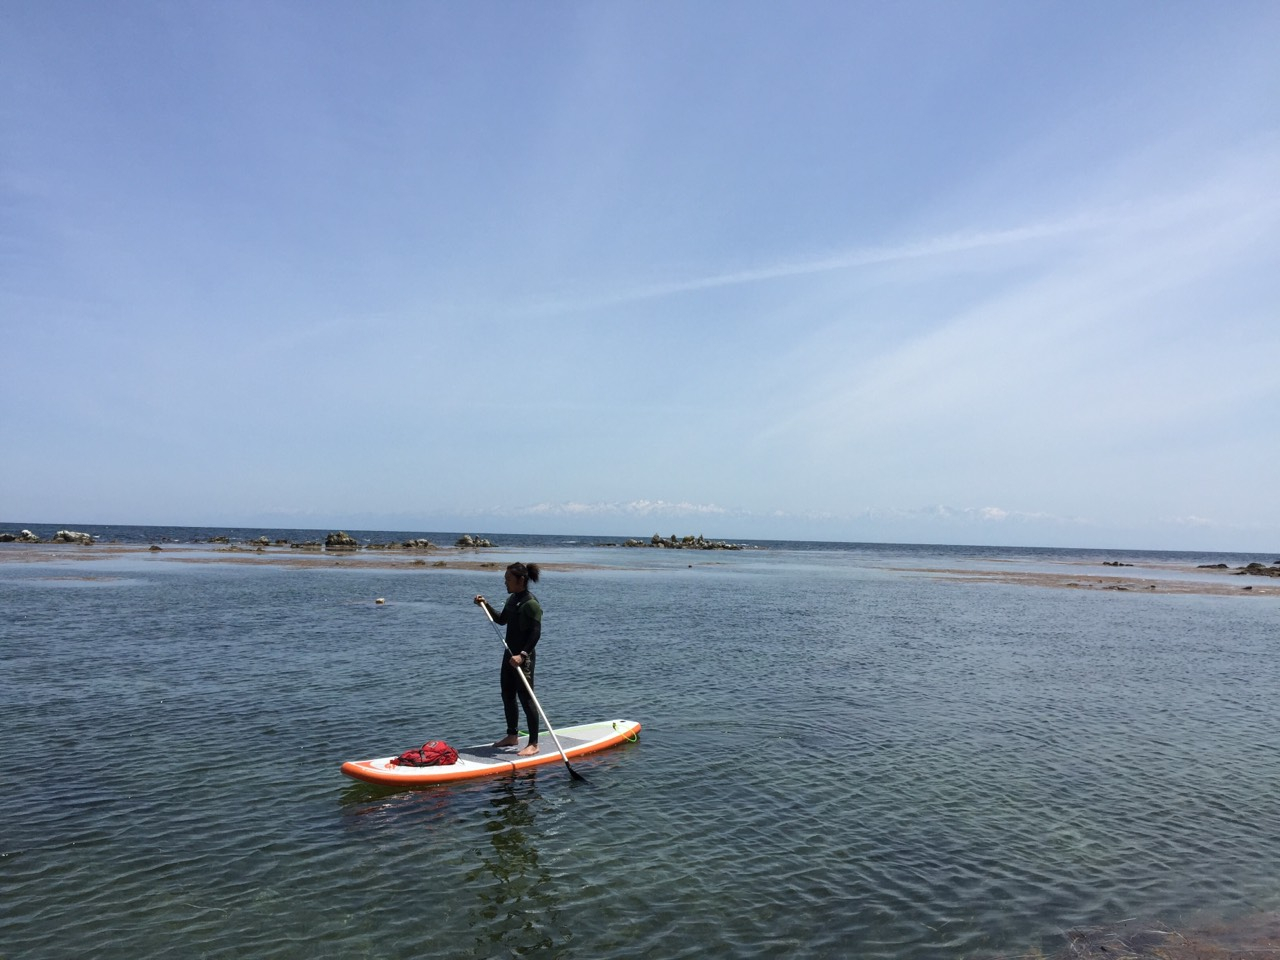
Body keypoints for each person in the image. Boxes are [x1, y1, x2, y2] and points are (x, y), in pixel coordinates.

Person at [473, 562, 543, 756]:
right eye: (505, 580)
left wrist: (522, 655)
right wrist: (484, 605)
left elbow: (536, 634)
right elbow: (501, 620)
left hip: (523, 658)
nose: (505, 583)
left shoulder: (531, 604)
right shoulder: (512, 599)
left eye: (508, 580)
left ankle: (534, 743)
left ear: (521, 580)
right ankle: (512, 735)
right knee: (507, 694)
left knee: (526, 698)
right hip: (508, 654)